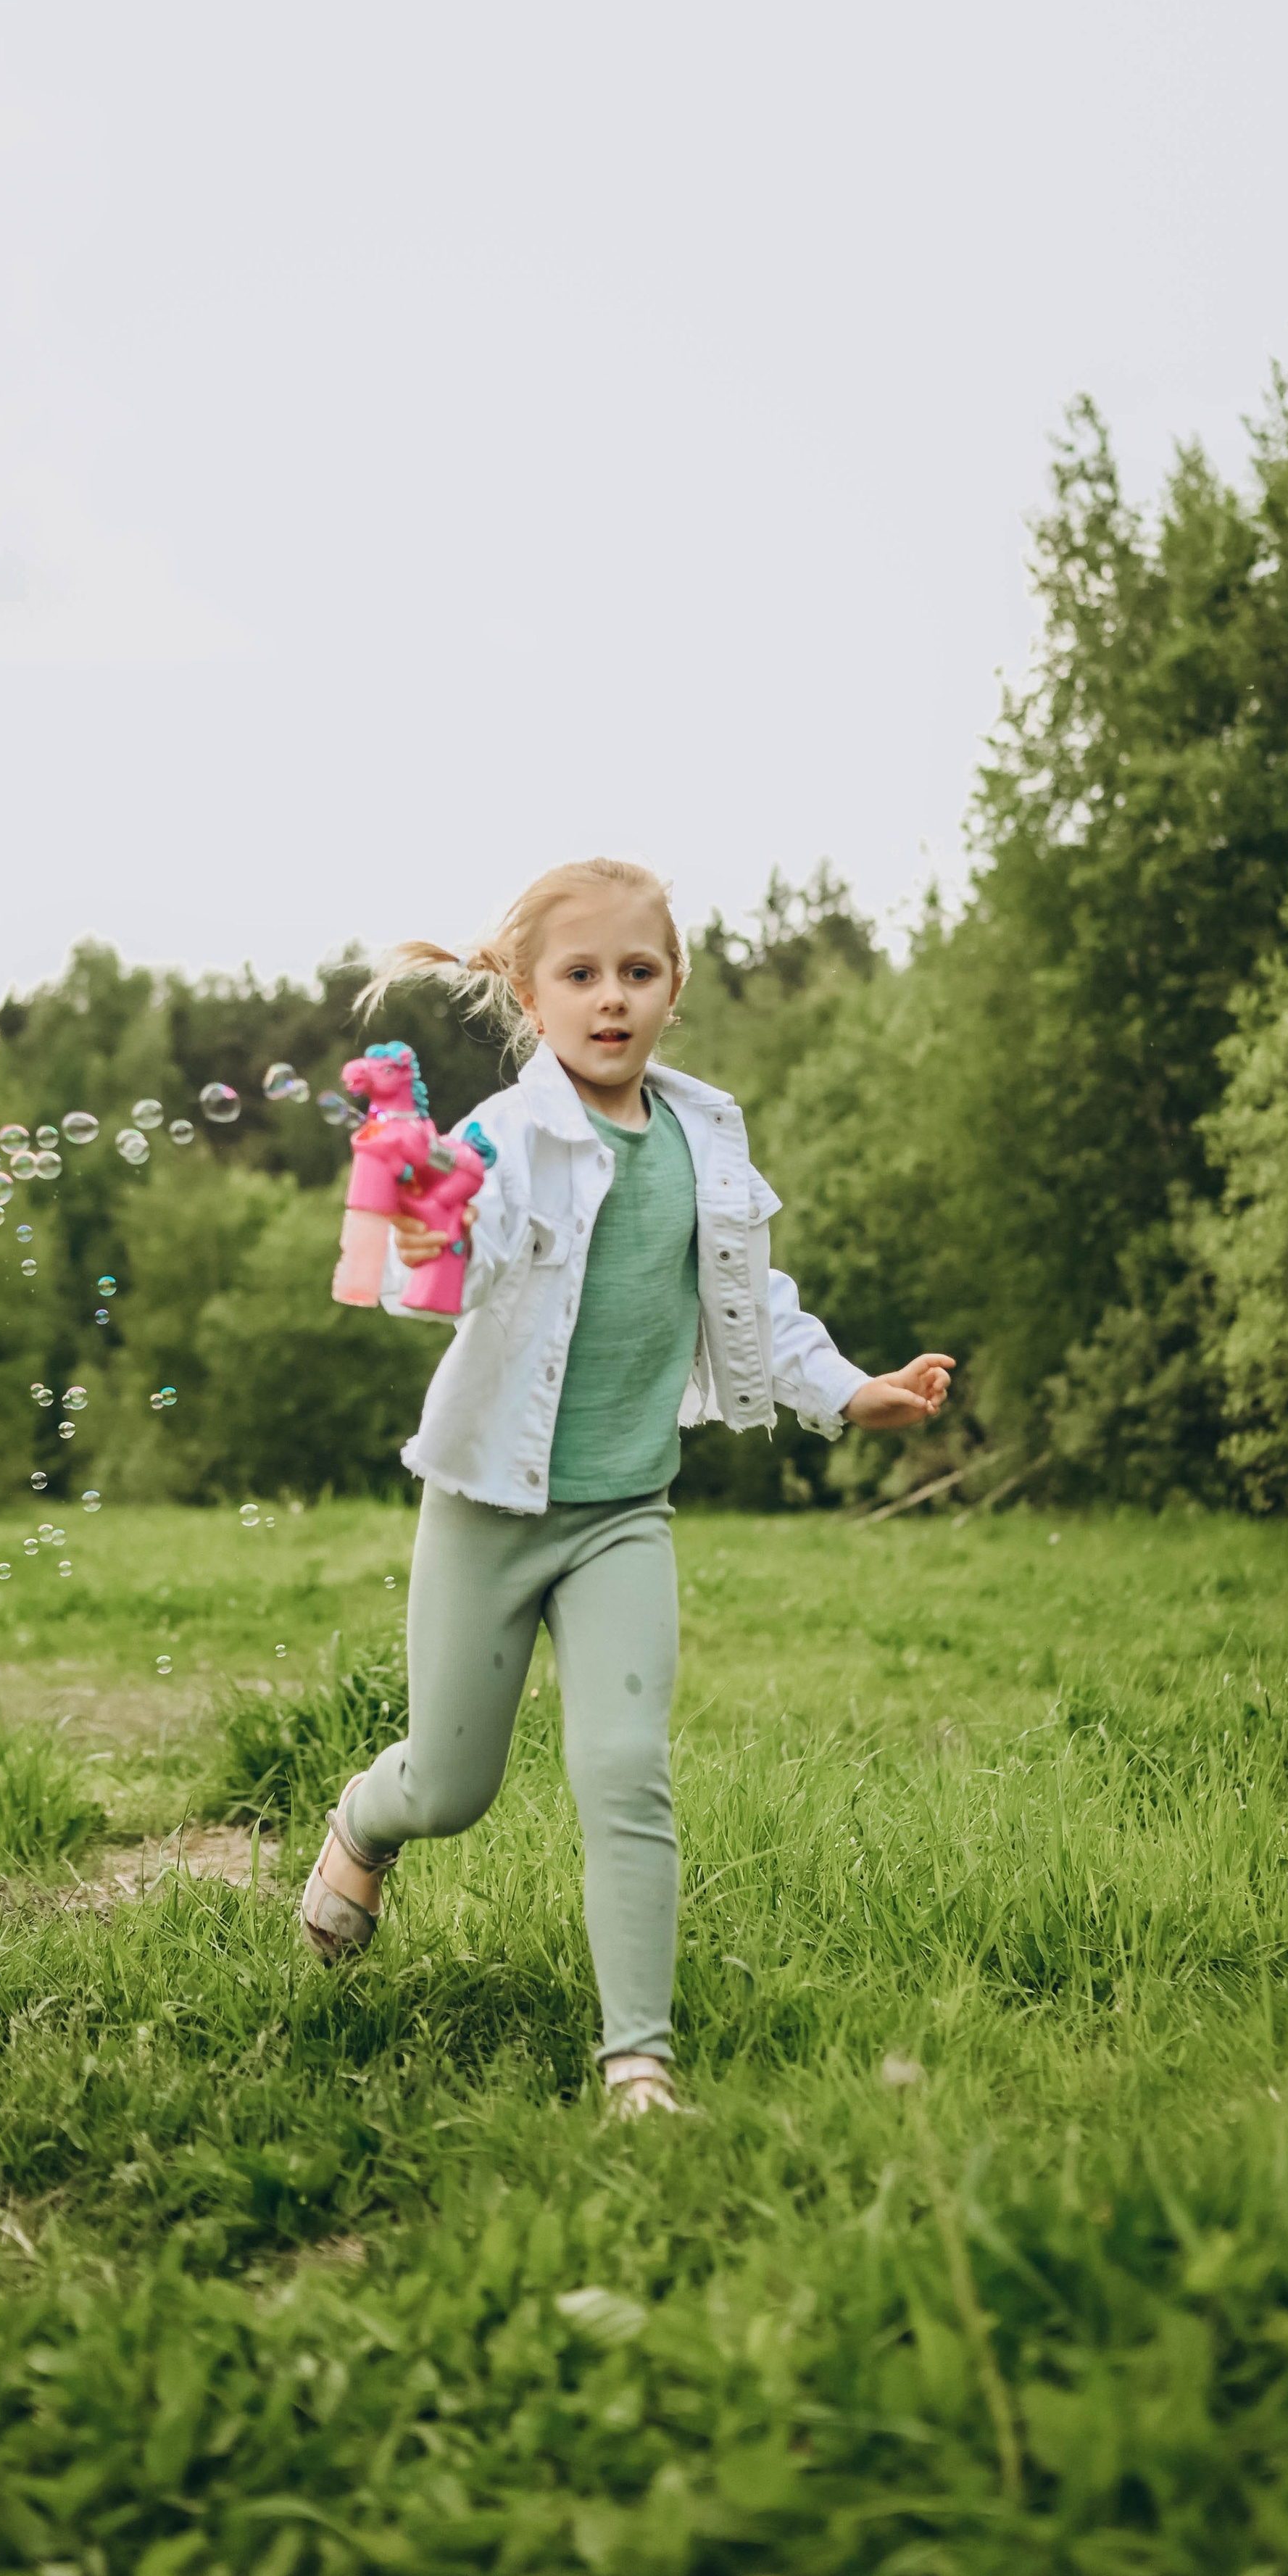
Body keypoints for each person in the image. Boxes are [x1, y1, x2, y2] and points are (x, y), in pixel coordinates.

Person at [301, 857, 952, 2116]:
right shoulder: (504, 1137)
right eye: (582, 975)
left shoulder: (703, 1139)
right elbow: (441, 1273)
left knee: (624, 1770)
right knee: (453, 1784)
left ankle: (637, 2062)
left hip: (621, 1520)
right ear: (531, 1000)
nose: (612, 999)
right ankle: (366, 1826)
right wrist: (424, 1219)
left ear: (673, 992)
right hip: (487, 1509)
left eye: (637, 974)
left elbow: (750, 1303)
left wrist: (850, 1386)